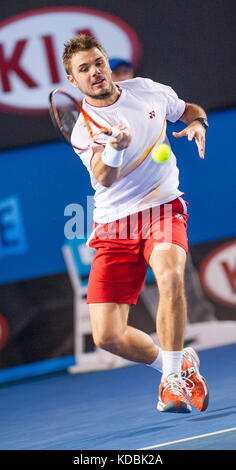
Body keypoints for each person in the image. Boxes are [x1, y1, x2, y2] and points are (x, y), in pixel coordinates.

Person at [63, 34, 209, 413]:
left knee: (172, 277)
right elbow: (104, 177)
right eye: (84, 69)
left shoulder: (147, 91)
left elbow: (188, 109)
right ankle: (176, 365)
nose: (94, 72)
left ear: (107, 63)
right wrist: (114, 146)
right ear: (72, 79)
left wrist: (198, 123)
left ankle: (173, 381)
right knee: (108, 336)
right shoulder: (83, 127)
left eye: (98, 63)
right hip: (115, 225)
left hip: (163, 207)